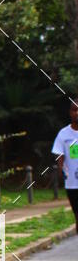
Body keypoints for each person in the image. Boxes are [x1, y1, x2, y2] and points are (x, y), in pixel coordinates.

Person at [51, 97, 78, 233]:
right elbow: (59, 153)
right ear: (70, 112)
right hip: (73, 183)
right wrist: (61, 169)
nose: (77, 113)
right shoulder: (64, 134)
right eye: (75, 110)